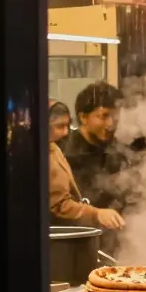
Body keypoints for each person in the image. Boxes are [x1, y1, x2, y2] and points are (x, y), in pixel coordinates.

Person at [49, 100, 124, 230]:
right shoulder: (43, 153)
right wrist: (96, 214)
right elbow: (58, 205)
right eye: (59, 126)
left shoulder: (53, 147)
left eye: (67, 125)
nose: (66, 132)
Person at [58, 81, 128, 214]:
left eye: (115, 116)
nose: (111, 124)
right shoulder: (66, 154)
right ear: (83, 117)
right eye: (104, 116)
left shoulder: (119, 151)